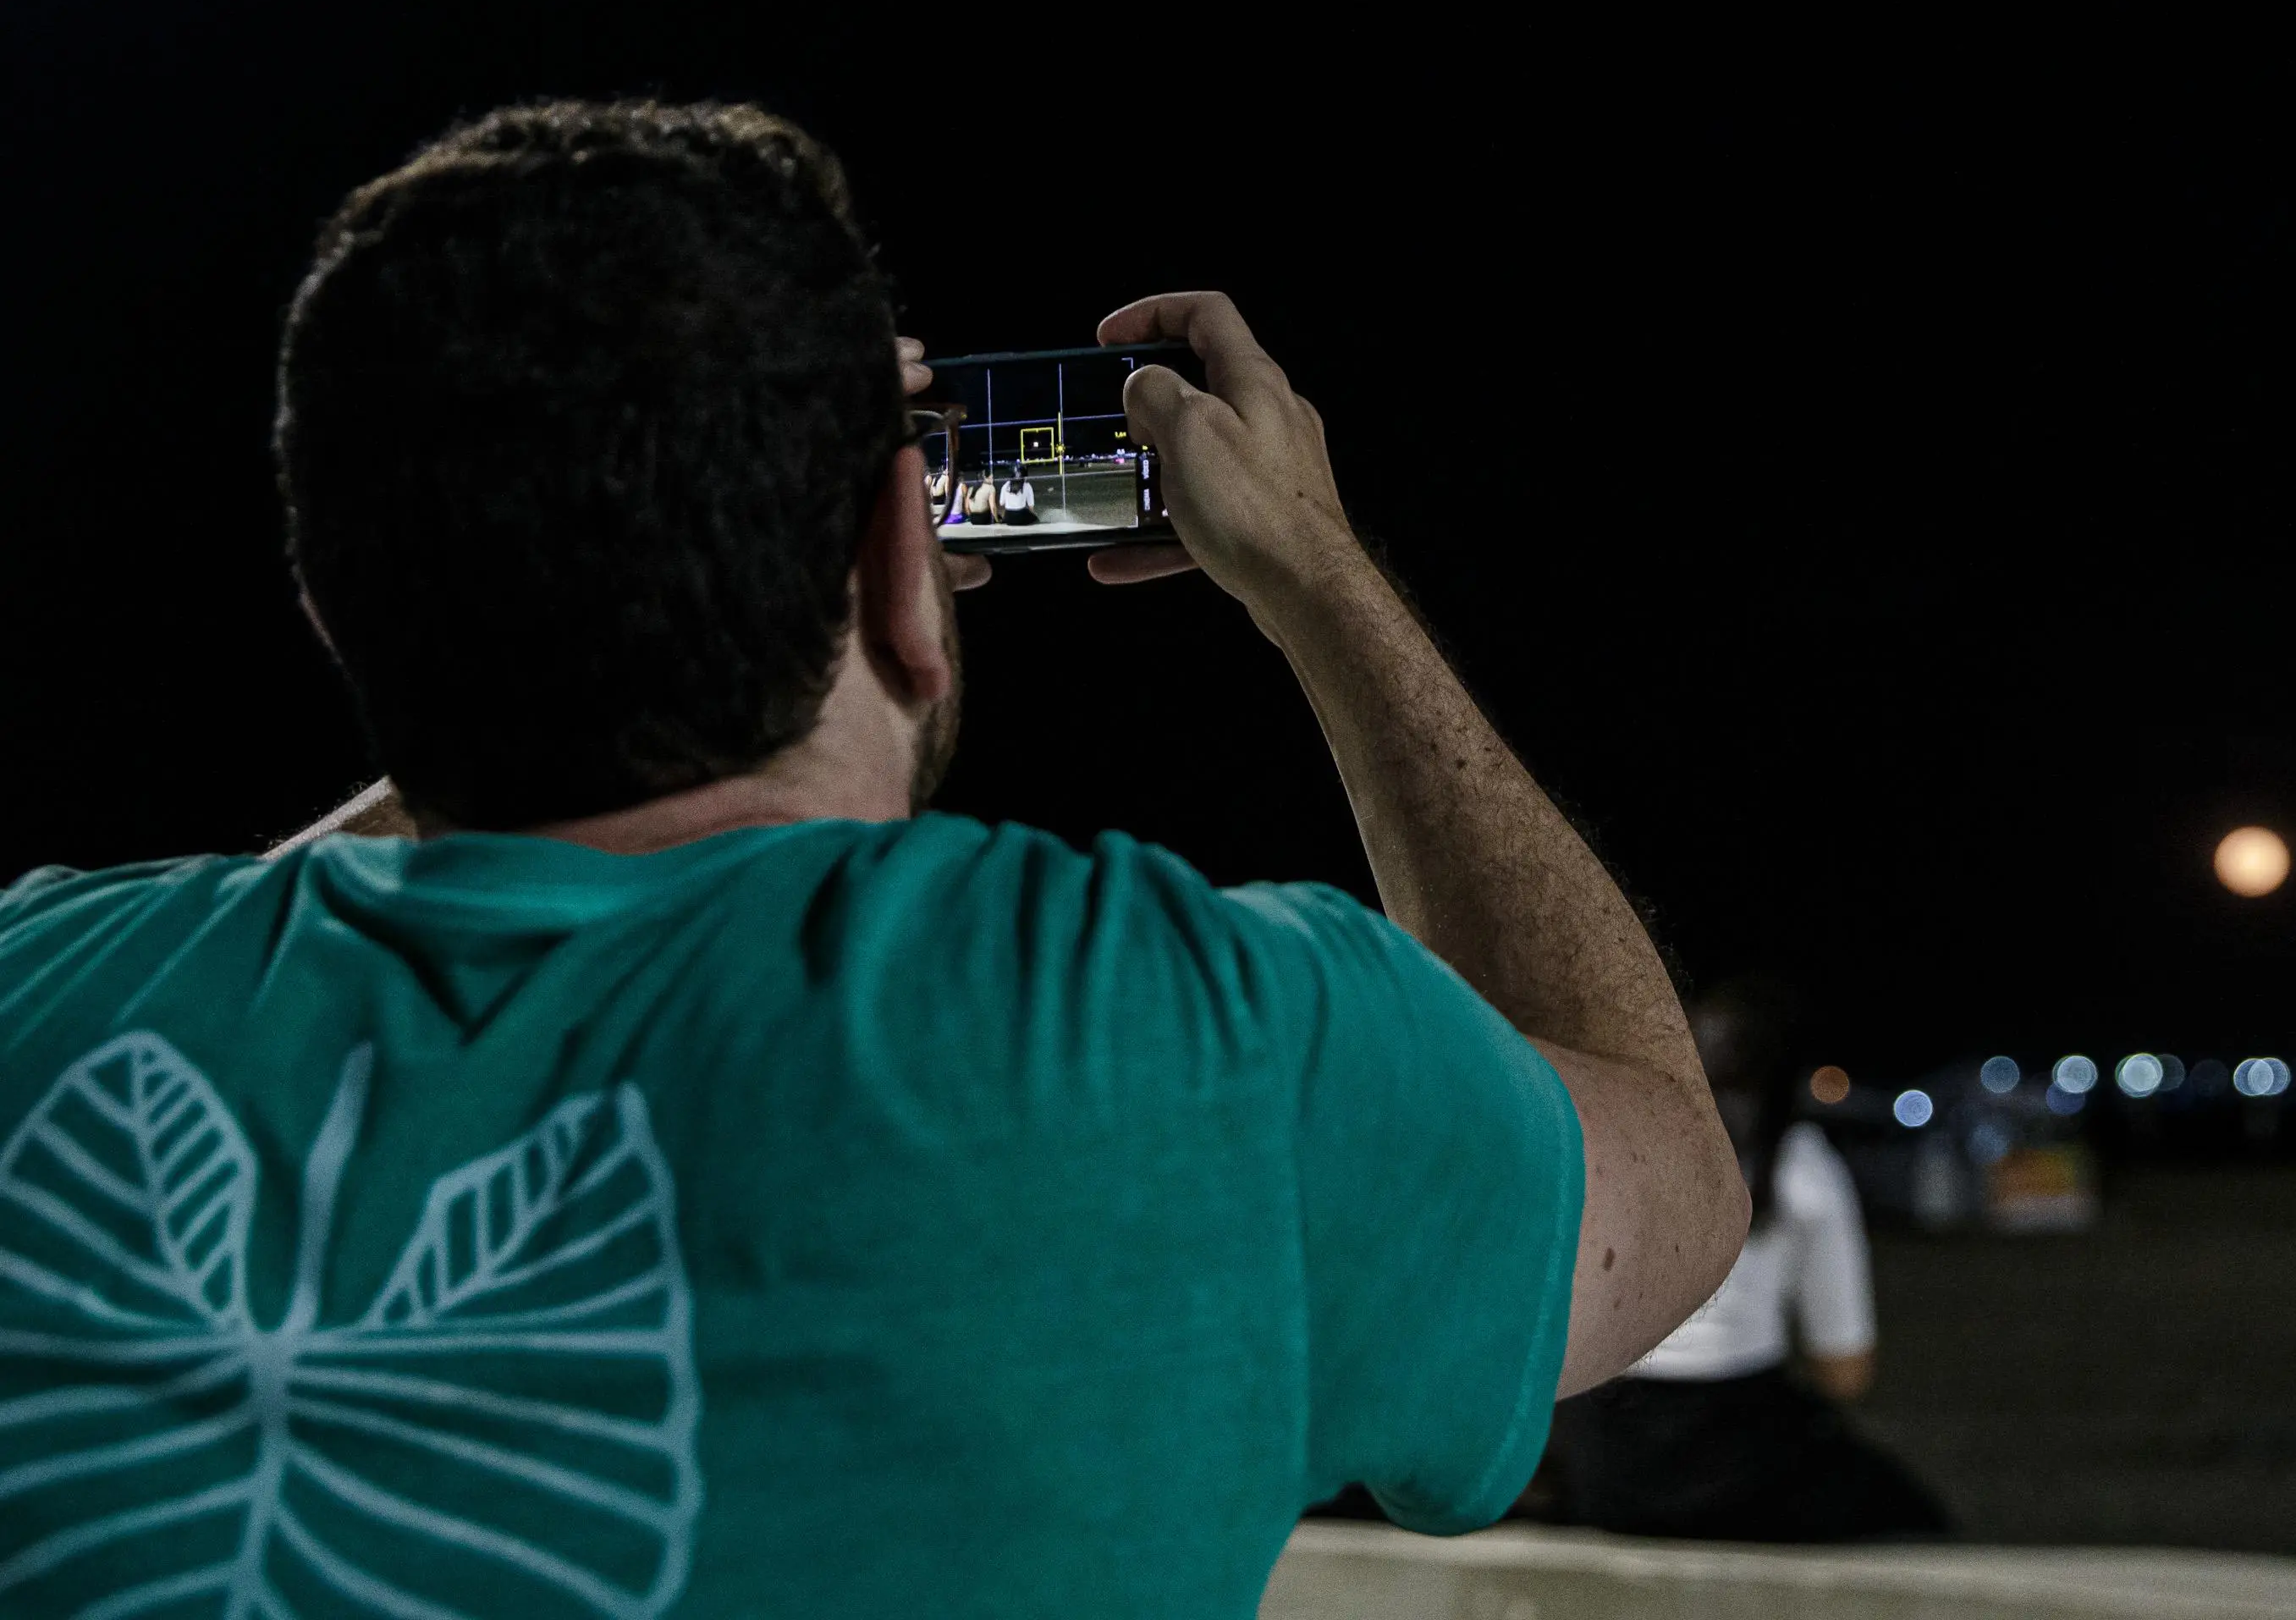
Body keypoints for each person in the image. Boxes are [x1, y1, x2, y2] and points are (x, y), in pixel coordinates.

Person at [0, 102, 1746, 1617]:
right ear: (907, 572)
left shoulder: (42, 989)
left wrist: (545, 624)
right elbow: (1668, 1165)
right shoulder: (1177, 1036)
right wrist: (1316, 571)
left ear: (335, 605)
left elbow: (328, 876)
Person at [1542, 979, 1948, 1541]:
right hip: (1736, 1452)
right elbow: (1845, 1374)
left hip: (1601, 1451)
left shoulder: (1601, 1152)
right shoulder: (1804, 1171)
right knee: (1916, 1522)